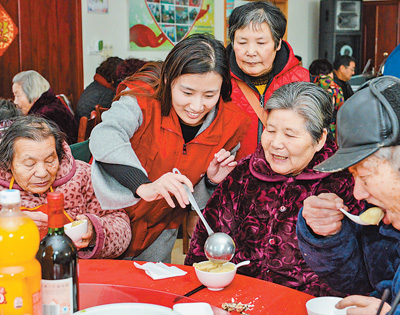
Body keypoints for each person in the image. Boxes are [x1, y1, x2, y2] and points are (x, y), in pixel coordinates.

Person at [185, 82, 364, 296]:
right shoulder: (243, 174)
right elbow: (204, 244)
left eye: (290, 135)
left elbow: (363, 267)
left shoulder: (348, 184)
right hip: (238, 301)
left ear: (320, 139)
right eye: (270, 130)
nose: (276, 143)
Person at [89, 34, 250, 263]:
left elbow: (196, 198)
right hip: (108, 225)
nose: (196, 106)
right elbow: (105, 136)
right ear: (167, 80)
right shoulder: (142, 99)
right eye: (187, 93)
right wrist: (143, 185)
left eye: (209, 95)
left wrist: (211, 182)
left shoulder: (231, 124)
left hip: (159, 231)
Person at [297, 76, 400, 314]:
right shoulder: (383, 218)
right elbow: (361, 283)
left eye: (364, 176)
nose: (357, 193)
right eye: (353, 177)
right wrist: (328, 236)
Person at [0, 115, 131, 259]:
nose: (43, 173)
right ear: (8, 163)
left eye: (50, 161)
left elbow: (121, 223)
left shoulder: (83, 176)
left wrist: (95, 232)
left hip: (74, 272)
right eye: (30, 164)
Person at [227, 1, 310, 158]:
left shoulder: (303, 81)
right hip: (234, 178)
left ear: (277, 43)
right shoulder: (218, 81)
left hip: (286, 178)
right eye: (242, 42)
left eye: (261, 43)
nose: (251, 52)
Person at [12, 70, 78, 144]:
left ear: (31, 93)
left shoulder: (46, 115)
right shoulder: (52, 104)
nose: (15, 101)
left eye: (17, 96)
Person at [75, 56, 123, 122]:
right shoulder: (107, 92)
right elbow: (108, 117)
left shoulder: (95, 84)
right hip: (89, 127)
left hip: (81, 124)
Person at [309, 58, 344, 140]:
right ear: (329, 73)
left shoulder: (309, 84)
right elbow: (341, 110)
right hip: (331, 131)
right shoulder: (335, 87)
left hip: (313, 128)